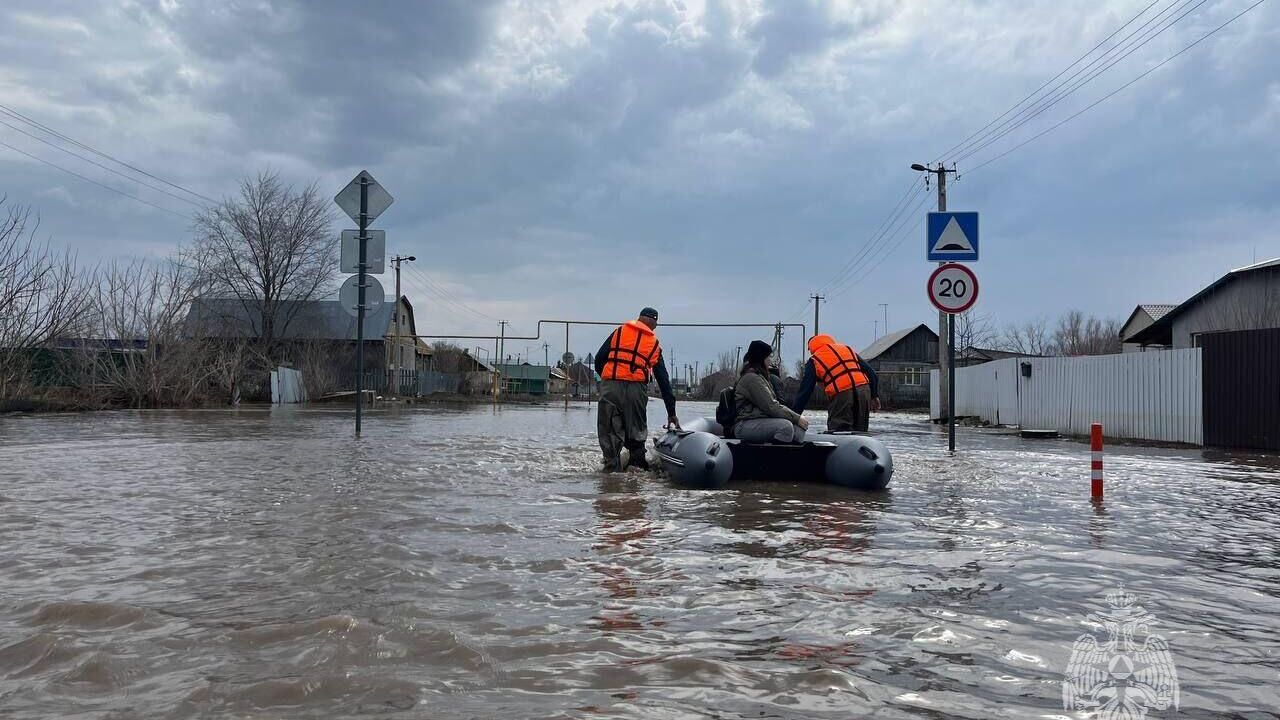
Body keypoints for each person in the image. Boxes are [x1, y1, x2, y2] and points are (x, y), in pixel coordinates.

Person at [593, 307, 679, 472]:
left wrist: (607, 378)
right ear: (654, 323)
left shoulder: (620, 332)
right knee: (636, 433)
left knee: (609, 433)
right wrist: (671, 412)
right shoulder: (653, 344)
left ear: (639, 319)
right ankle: (636, 473)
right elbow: (663, 381)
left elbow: (599, 358)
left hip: (610, 386)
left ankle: (611, 473)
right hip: (636, 390)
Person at [791, 333, 880, 432]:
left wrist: (793, 416)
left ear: (811, 347)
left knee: (839, 430)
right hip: (864, 390)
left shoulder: (814, 360)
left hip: (842, 392)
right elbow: (871, 373)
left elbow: (805, 391)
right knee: (861, 431)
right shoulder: (847, 349)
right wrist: (874, 396)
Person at [733, 340, 809, 443]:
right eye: (768, 357)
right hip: (744, 424)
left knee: (798, 428)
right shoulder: (752, 379)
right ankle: (774, 458)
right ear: (761, 358)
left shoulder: (761, 377)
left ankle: (795, 456)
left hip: (759, 420)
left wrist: (796, 419)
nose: (770, 361)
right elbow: (771, 406)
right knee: (785, 427)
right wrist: (797, 418)